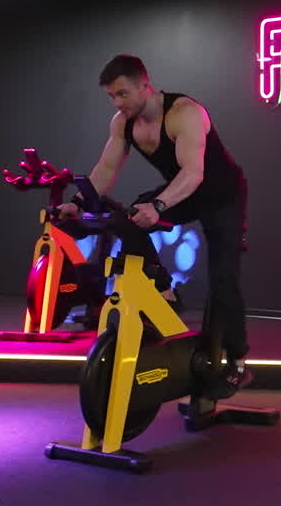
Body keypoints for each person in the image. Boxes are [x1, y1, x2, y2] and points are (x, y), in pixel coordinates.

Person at [62, 54, 251, 395]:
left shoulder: (185, 113)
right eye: (111, 96)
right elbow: (106, 169)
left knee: (223, 276)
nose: (117, 103)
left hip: (222, 195)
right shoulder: (123, 122)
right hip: (184, 191)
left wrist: (160, 204)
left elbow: (194, 172)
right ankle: (165, 288)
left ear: (144, 86)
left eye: (122, 94)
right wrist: (78, 202)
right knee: (130, 220)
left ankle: (236, 360)